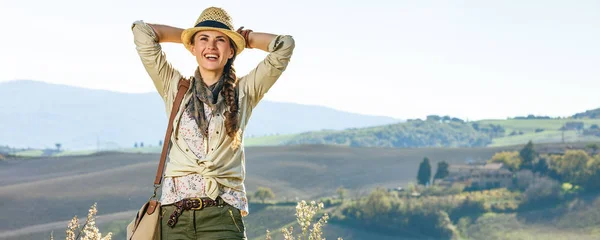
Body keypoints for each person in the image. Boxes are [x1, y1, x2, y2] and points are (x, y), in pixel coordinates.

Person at [131, 6, 295, 239]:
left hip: (222, 215)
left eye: (220, 41)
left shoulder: (244, 92)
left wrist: (244, 39)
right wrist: (189, 37)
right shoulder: (174, 87)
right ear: (193, 48)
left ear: (230, 51)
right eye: (204, 40)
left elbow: (284, 46)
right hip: (174, 217)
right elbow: (142, 32)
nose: (211, 46)